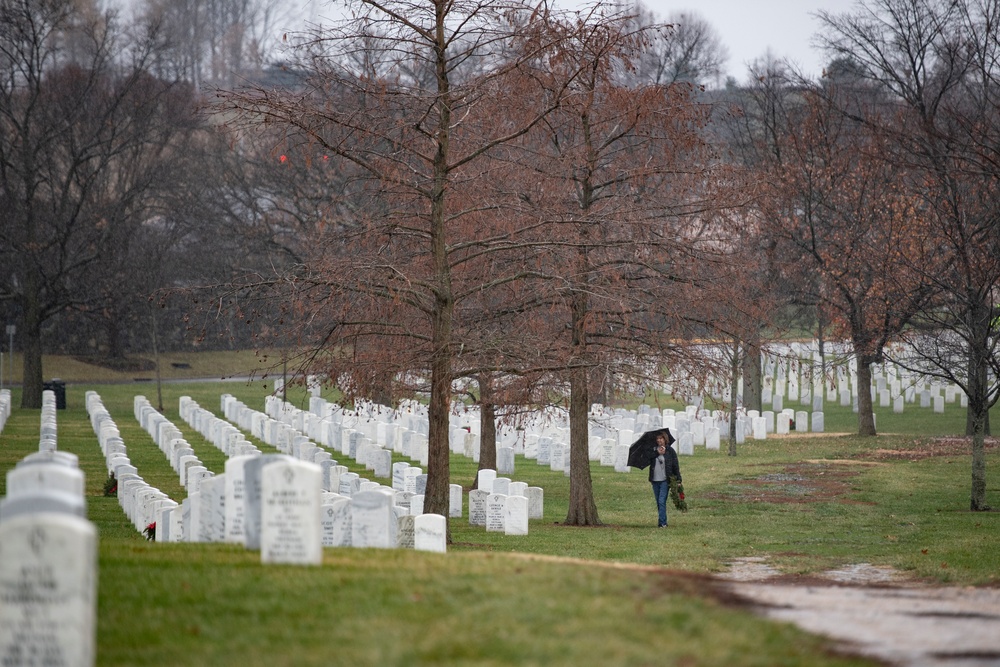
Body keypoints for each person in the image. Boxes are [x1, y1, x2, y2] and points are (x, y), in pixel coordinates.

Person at [648, 432, 681, 528]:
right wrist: (657, 453)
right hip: (655, 480)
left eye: (661, 438)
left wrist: (678, 480)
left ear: (665, 439)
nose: (659, 440)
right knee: (658, 501)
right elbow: (648, 458)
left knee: (662, 500)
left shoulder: (670, 451)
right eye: (657, 439)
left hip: (665, 480)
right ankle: (661, 520)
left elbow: (675, 466)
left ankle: (663, 523)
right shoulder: (653, 450)